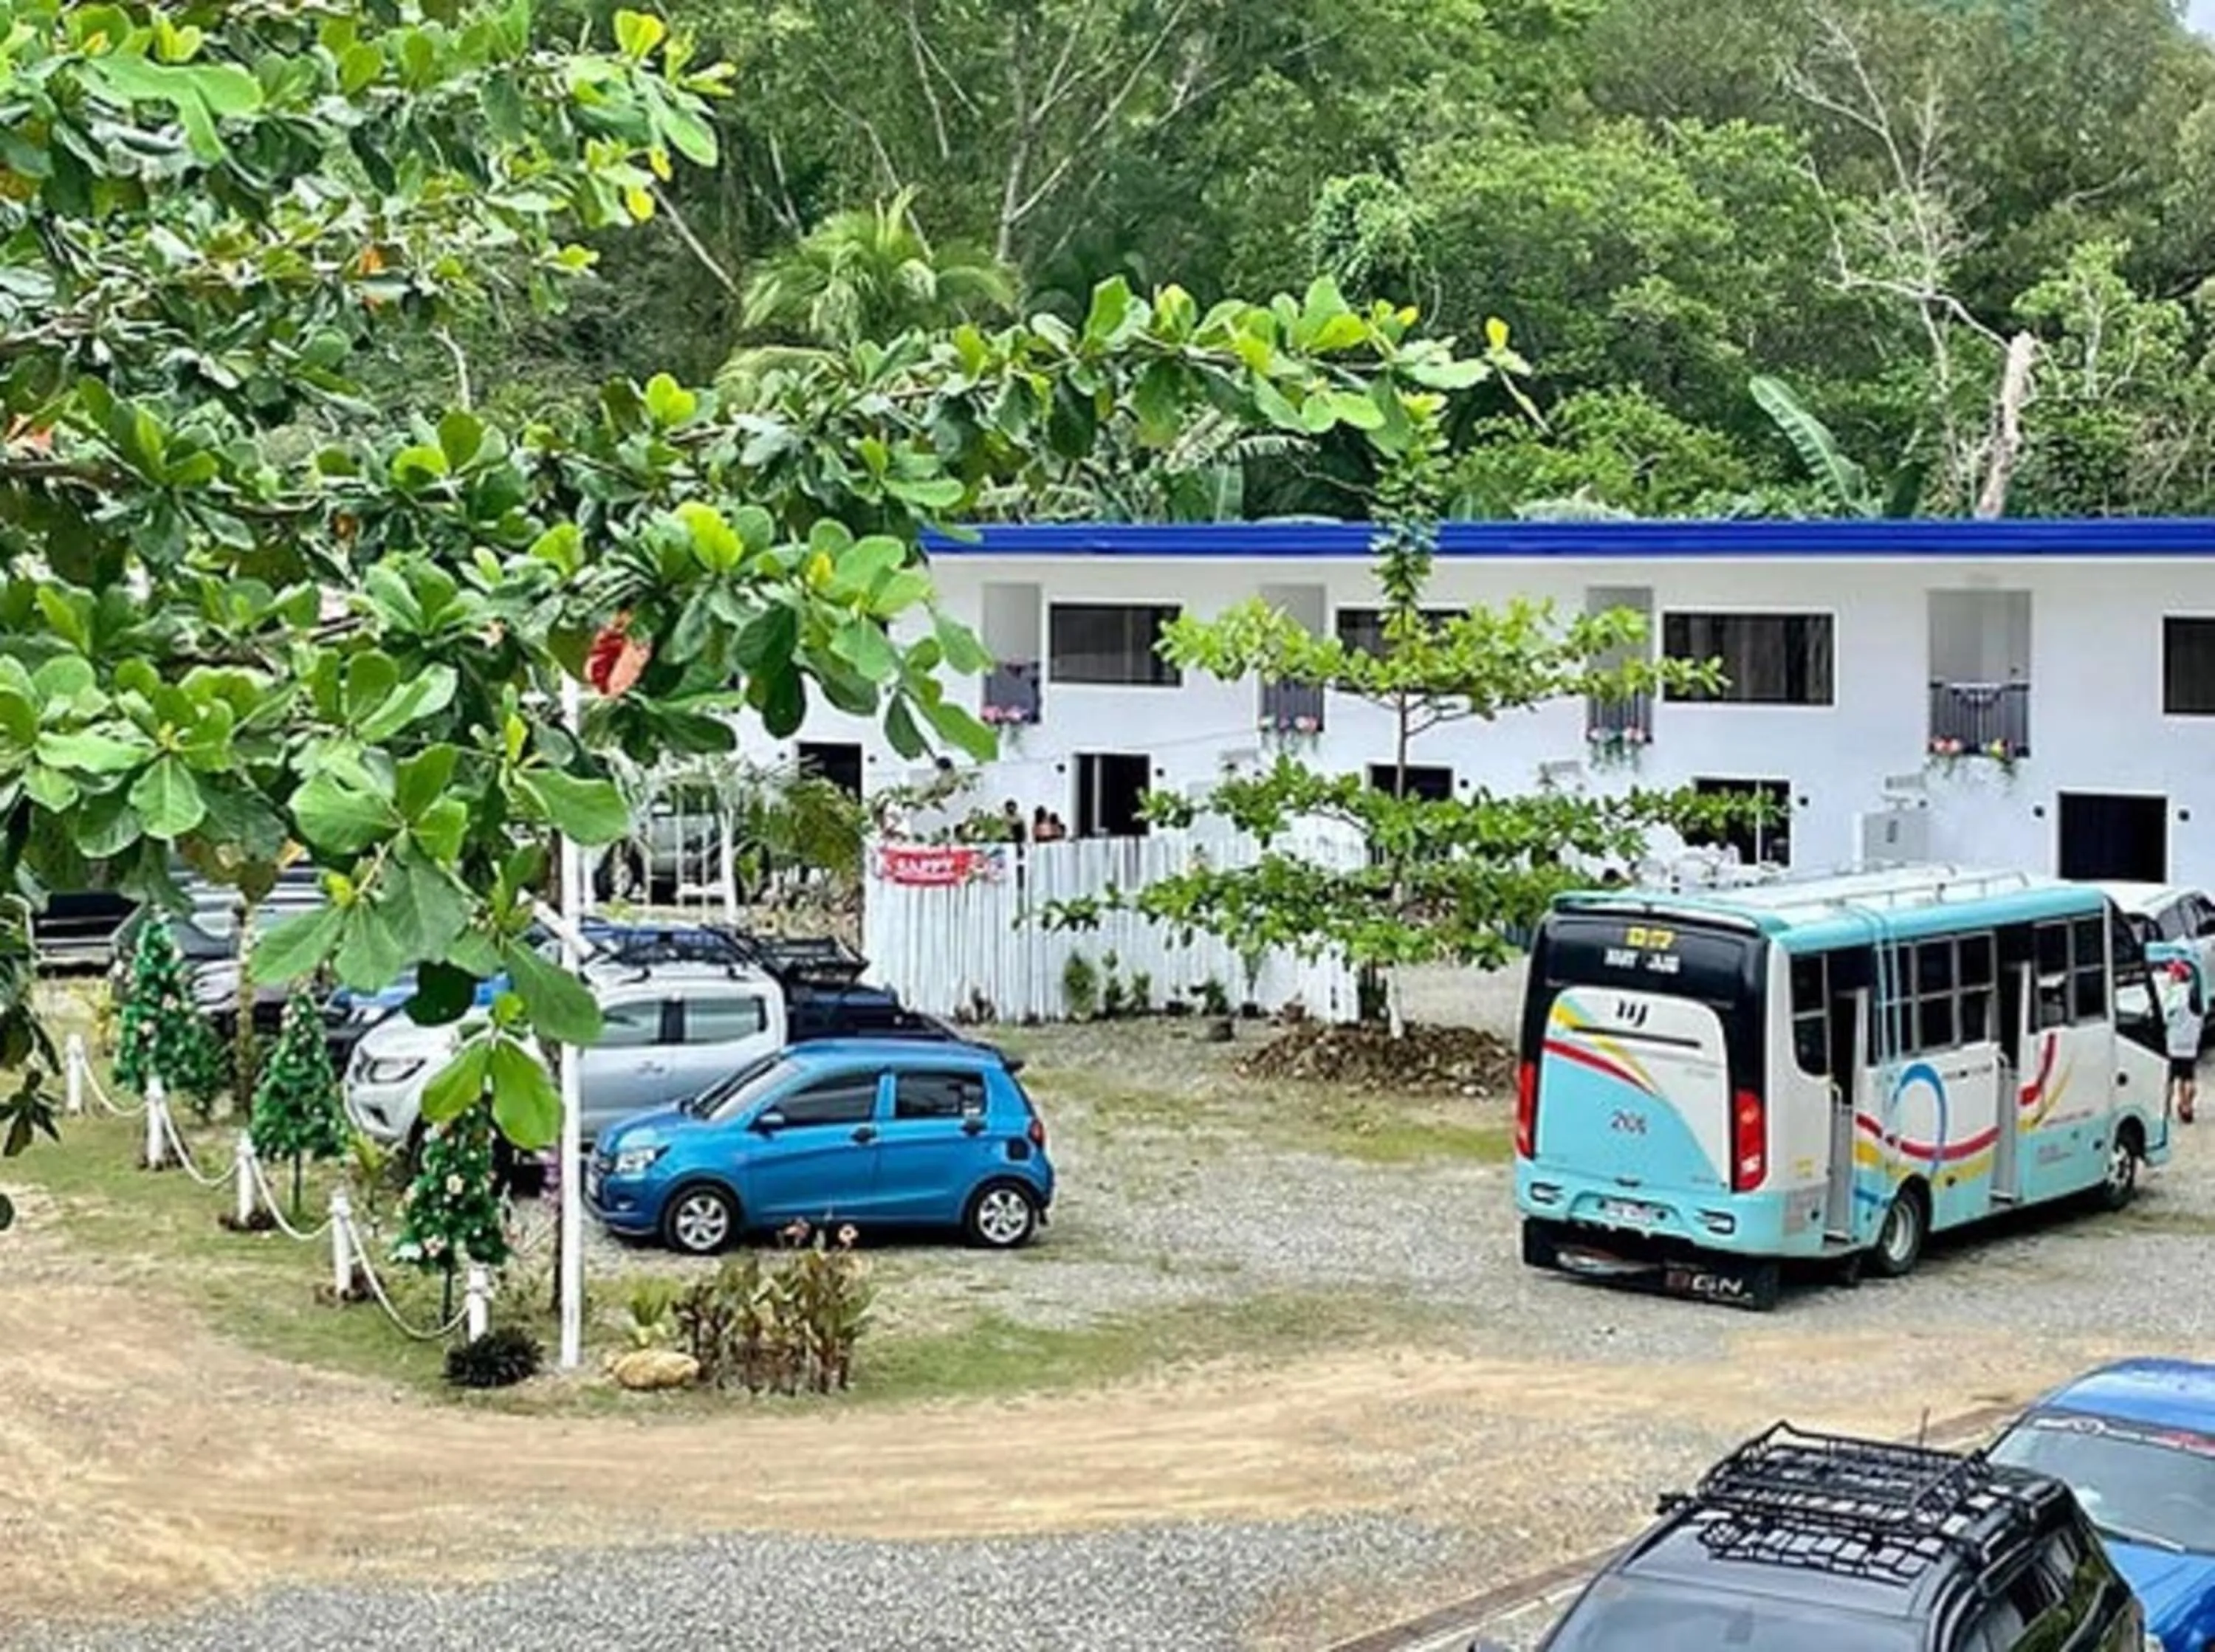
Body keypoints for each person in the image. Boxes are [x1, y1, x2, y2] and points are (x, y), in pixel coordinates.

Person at [2161, 957, 2203, 1124]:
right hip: (2191, 1044)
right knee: (2188, 1077)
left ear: (2178, 976)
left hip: (2173, 1043)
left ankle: (2165, 1109)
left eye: (2172, 973)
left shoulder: (2174, 994)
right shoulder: (2195, 993)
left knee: (2169, 1079)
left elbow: (2166, 1016)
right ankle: (2187, 1106)